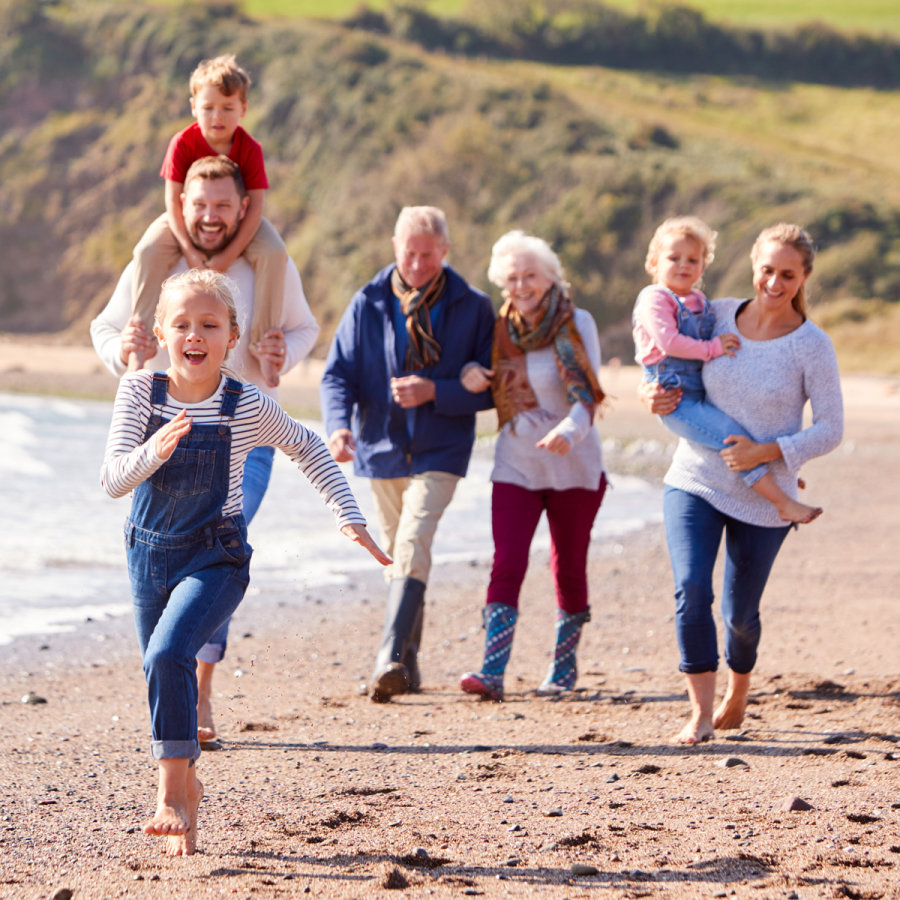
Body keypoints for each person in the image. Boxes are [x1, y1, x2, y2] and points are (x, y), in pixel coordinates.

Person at [100, 268, 389, 856]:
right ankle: (191, 787)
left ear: (232, 337)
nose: (195, 334)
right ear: (160, 332)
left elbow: (306, 445)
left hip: (217, 555)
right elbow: (111, 481)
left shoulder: (244, 403)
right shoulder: (138, 392)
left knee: (168, 652)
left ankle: (171, 796)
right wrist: (152, 452)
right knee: (162, 671)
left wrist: (348, 515)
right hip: (148, 553)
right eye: (181, 324)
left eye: (210, 324)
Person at [91, 155, 319, 744]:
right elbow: (108, 327)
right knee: (177, 559)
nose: (210, 217)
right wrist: (126, 351)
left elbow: (303, 328)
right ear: (181, 205)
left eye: (223, 205)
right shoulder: (159, 259)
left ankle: (201, 688)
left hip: (246, 433)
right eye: (200, 205)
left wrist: (280, 355)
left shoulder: (265, 264)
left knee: (216, 542)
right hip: (166, 439)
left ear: (242, 208)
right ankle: (178, 683)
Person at [640, 223, 843, 745]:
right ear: (754, 265)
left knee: (740, 617)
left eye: (788, 274)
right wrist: (652, 398)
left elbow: (830, 428)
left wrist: (771, 451)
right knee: (690, 591)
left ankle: (739, 686)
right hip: (695, 479)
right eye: (767, 269)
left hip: (763, 496)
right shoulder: (716, 314)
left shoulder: (812, 346)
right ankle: (700, 715)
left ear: (803, 278)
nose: (774, 282)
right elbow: (673, 365)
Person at [320, 206, 496, 703]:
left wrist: (436, 391)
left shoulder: (474, 306)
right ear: (395, 247)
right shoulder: (369, 300)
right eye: (409, 253)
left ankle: (388, 656)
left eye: (428, 255)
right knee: (399, 552)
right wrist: (336, 428)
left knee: (413, 540)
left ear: (445, 251)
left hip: (443, 446)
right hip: (381, 445)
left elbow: (492, 388)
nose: (417, 264)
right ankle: (410, 664)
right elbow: (338, 375)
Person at [457, 231, 607, 701]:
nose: (521, 285)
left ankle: (562, 669)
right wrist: (469, 376)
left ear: (550, 278)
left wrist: (569, 430)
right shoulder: (498, 325)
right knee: (508, 560)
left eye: (530, 275)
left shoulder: (576, 321)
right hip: (517, 461)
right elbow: (476, 370)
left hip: (573, 463)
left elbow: (588, 393)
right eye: (512, 277)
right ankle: (492, 671)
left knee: (567, 567)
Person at [634, 216, 821, 525]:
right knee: (731, 438)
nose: (683, 265)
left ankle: (779, 486)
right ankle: (780, 499)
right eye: (673, 258)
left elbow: (830, 428)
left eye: (692, 260)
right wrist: (647, 392)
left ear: (703, 267)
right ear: (653, 261)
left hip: (694, 395)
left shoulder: (705, 305)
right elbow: (667, 343)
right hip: (678, 398)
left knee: (732, 436)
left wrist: (785, 468)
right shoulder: (655, 299)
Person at [129, 54, 287, 387]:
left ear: (243, 109)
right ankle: (139, 343)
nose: (217, 116)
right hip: (183, 220)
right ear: (193, 106)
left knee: (274, 252)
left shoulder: (250, 148)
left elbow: (255, 207)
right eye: (209, 107)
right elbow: (172, 201)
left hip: (239, 220)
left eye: (228, 108)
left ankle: (263, 345)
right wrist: (188, 250)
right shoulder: (182, 143)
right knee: (147, 250)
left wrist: (225, 259)